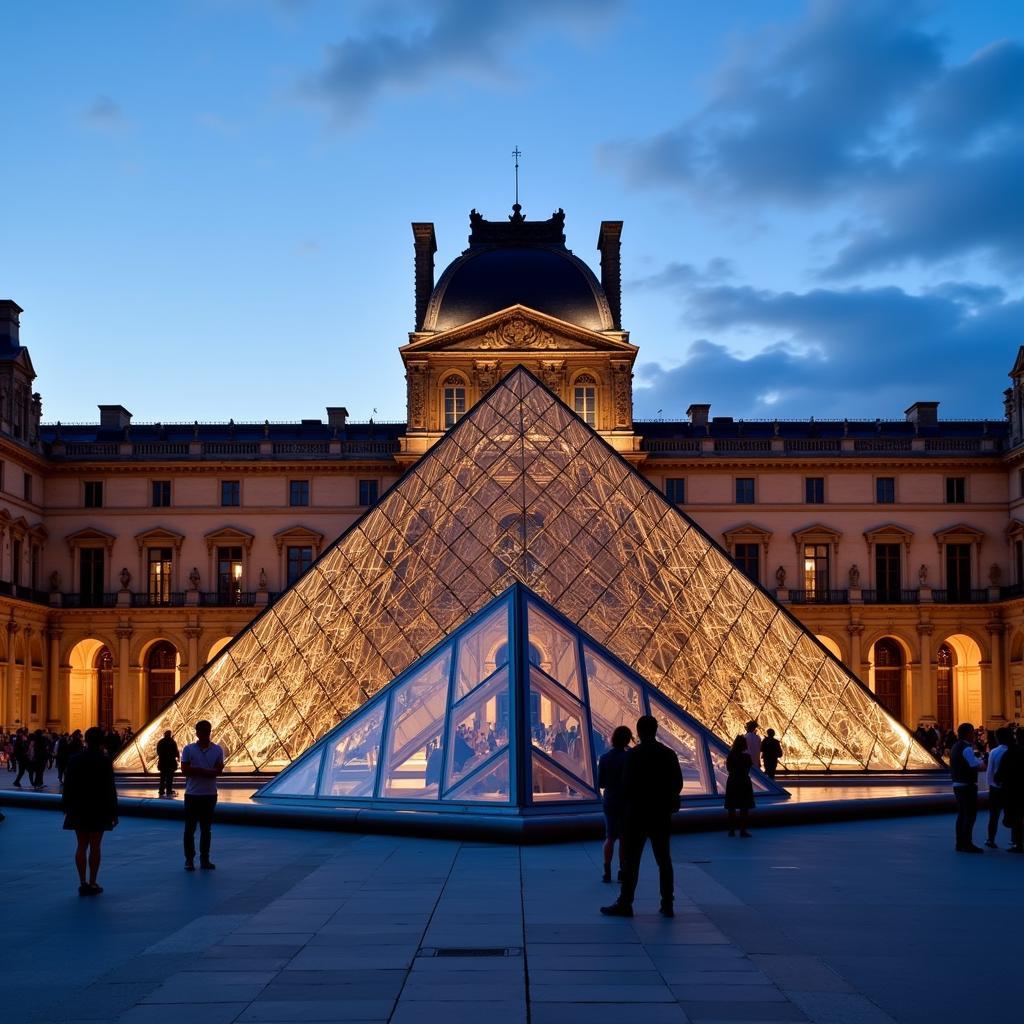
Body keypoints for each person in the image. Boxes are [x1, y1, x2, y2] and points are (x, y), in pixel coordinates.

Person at [601, 715, 683, 919]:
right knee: (664, 860)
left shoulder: (633, 755)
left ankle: (625, 902)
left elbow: (626, 785)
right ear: (656, 731)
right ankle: (667, 903)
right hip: (661, 814)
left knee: (631, 861)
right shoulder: (668, 754)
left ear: (638, 732)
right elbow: (678, 784)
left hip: (636, 815)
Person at [61, 726, 118, 895]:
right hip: (99, 807)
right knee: (95, 846)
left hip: (78, 806)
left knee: (81, 845)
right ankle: (93, 882)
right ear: (101, 742)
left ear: (85, 740)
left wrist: (66, 805)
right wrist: (114, 811)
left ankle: (82, 881)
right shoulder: (105, 760)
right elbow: (110, 788)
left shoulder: (74, 759)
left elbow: (68, 785)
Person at [181, 719, 224, 871]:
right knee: (190, 830)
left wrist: (198, 770)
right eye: (203, 732)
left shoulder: (218, 750)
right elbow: (185, 770)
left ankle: (204, 859)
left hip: (208, 794)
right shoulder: (188, 749)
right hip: (193, 794)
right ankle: (190, 860)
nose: (205, 734)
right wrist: (207, 771)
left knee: (205, 829)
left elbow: (218, 771)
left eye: (207, 732)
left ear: (209, 732)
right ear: (197, 733)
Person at [597, 725, 632, 884]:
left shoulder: (604, 758)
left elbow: (601, 783)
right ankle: (621, 871)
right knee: (624, 838)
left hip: (610, 799)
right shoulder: (629, 758)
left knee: (610, 837)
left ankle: (606, 871)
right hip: (625, 800)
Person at [950, 722, 986, 853]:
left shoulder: (955, 746)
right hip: (967, 786)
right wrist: (982, 765)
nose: (974, 735)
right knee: (970, 815)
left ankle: (960, 843)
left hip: (957, 784)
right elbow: (973, 765)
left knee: (962, 814)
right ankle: (967, 843)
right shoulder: (967, 748)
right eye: (972, 733)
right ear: (967, 734)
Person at [985, 727, 1012, 848]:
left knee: (993, 816)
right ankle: (1015, 841)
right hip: (1011, 788)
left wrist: (991, 784)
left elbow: (990, 771)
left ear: (997, 738)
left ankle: (991, 839)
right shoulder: (1015, 751)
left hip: (996, 788)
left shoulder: (994, 752)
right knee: (1014, 814)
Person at [725, 735, 755, 837]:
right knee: (744, 807)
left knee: (731, 807)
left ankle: (731, 830)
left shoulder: (730, 755)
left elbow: (729, 769)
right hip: (744, 782)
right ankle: (743, 830)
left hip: (733, 781)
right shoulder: (747, 757)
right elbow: (748, 769)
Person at [156, 730, 180, 798]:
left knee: (162, 778)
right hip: (170, 763)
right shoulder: (172, 742)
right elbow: (176, 752)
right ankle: (169, 790)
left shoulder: (160, 742)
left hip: (163, 763)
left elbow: (158, 752)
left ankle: (161, 790)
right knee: (169, 778)